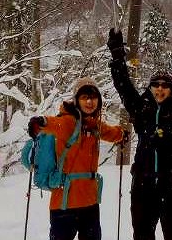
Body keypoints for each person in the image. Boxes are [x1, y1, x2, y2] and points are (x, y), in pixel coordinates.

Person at [107, 27, 172, 240]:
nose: (160, 89)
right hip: (143, 185)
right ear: (150, 87)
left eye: (165, 85)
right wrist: (117, 54)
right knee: (142, 234)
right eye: (156, 85)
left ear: (171, 89)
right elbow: (123, 84)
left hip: (171, 183)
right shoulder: (140, 108)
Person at [27, 78, 125, 240]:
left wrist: (122, 133)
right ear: (76, 100)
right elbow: (53, 123)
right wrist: (40, 122)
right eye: (84, 97)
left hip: (90, 203)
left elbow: (111, 133)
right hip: (65, 204)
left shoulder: (94, 125)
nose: (89, 101)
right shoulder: (68, 121)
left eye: (93, 97)